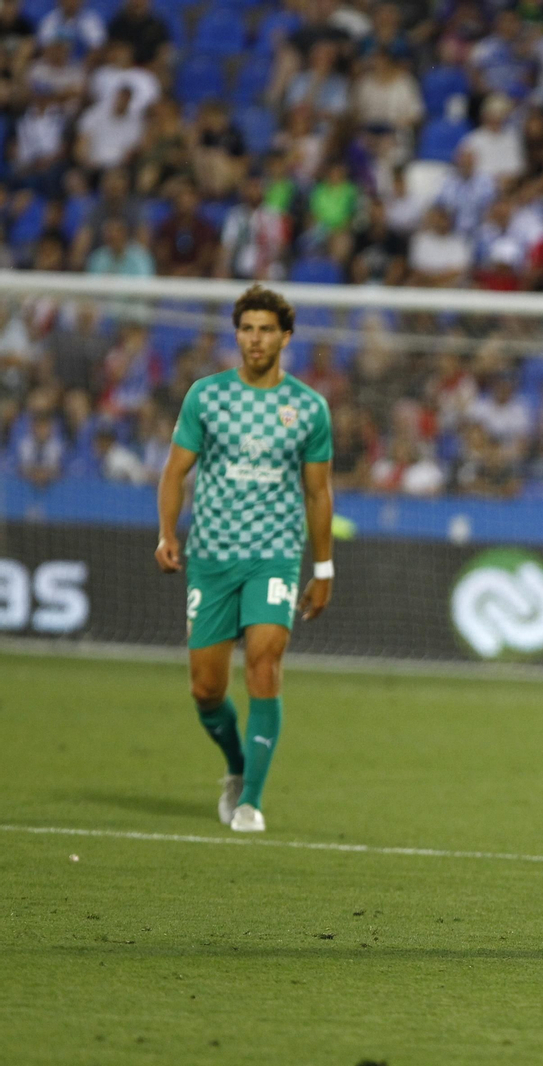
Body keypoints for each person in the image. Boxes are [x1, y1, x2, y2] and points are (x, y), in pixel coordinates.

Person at [154, 286, 334, 834]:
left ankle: (252, 800)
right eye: (247, 328)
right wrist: (166, 534)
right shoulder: (206, 397)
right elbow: (174, 472)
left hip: (273, 557)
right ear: (238, 334)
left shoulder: (308, 407)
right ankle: (236, 766)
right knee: (206, 689)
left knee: (263, 661)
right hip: (210, 557)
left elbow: (318, 493)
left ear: (285, 337)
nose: (255, 339)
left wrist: (322, 570)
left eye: (265, 329)